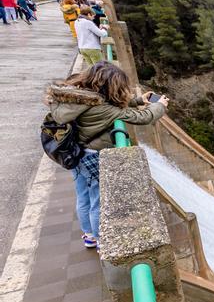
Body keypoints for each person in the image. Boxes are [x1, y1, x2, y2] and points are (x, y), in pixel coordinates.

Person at [45, 62, 168, 248]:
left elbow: (111, 107)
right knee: (98, 200)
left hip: (75, 153)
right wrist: (160, 106)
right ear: (110, 88)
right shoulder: (102, 109)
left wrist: (138, 100)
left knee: (83, 195)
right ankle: (102, 240)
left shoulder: (80, 97)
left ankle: (89, 235)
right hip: (93, 156)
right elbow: (143, 117)